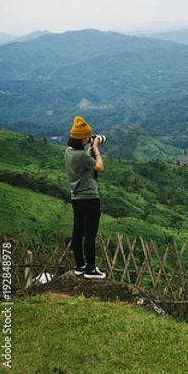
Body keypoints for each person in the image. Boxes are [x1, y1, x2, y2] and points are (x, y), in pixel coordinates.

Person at [65, 116, 106, 279]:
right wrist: (96, 148)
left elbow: (84, 165)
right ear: (83, 138)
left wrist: (88, 151)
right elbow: (100, 167)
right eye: (88, 137)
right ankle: (91, 269)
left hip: (76, 198)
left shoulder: (69, 152)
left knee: (78, 232)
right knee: (90, 234)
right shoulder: (81, 156)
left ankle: (80, 266)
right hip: (89, 198)